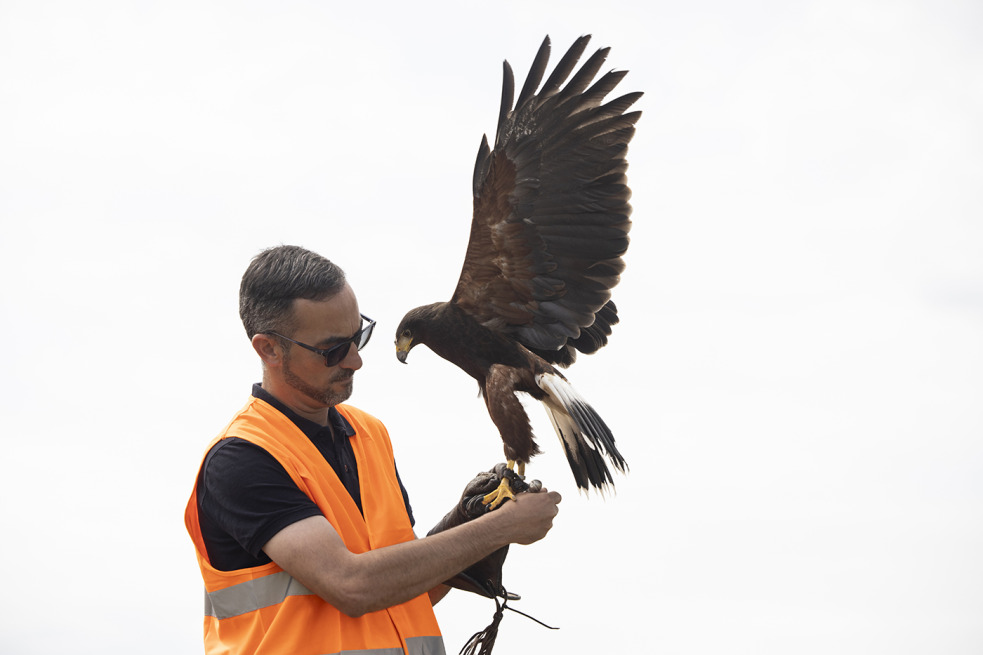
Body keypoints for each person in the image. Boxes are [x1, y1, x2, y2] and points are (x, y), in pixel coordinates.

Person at [185, 244, 562, 655]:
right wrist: (501, 528)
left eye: (358, 336)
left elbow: (400, 593)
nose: (355, 361)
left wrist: (465, 521)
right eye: (332, 349)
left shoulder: (369, 434)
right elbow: (352, 586)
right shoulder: (243, 458)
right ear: (268, 349)